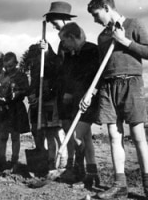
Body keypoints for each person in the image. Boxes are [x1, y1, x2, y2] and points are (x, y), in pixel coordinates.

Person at [83, 0, 148, 199]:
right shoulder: (102, 37)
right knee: (114, 136)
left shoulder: (134, 24)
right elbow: (100, 69)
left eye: (96, 14)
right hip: (108, 86)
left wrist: (124, 41)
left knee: (138, 136)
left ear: (107, 8)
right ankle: (119, 184)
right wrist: (91, 92)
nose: (95, 20)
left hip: (131, 83)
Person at [56, 22, 100, 187]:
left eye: (65, 41)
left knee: (76, 138)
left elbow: (91, 78)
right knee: (86, 138)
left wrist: (87, 95)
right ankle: (92, 174)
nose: (64, 45)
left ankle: (80, 173)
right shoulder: (74, 53)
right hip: (78, 101)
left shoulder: (91, 51)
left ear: (72, 37)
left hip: (89, 101)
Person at [39, 1, 77, 172]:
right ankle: (68, 166)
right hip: (63, 91)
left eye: (54, 22)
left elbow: (69, 68)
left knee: (72, 132)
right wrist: (47, 51)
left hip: (71, 92)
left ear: (62, 19)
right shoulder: (63, 41)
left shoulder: (72, 37)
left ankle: (73, 166)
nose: (53, 27)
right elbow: (59, 65)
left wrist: (69, 91)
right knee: (66, 129)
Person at [26, 43, 64, 170]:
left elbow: (56, 83)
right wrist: (32, 96)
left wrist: (46, 51)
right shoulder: (35, 68)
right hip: (39, 105)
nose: (35, 60)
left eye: (37, 57)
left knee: (57, 132)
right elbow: (33, 85)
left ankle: (63, 161)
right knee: (47, 133)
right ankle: (50, 162)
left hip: (51, 104)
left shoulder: (52, 65)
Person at [0, 52, 30, 171]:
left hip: (16, 108)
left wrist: (17, 93)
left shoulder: (22, 76)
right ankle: (2, 161)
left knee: (15, 136)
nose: (8, 68)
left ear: (16, 63)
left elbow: (26, 90)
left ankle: (14, 161)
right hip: (3, 108)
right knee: (3, 136)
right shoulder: (1, 77)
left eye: (11, 66)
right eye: (6, 66)